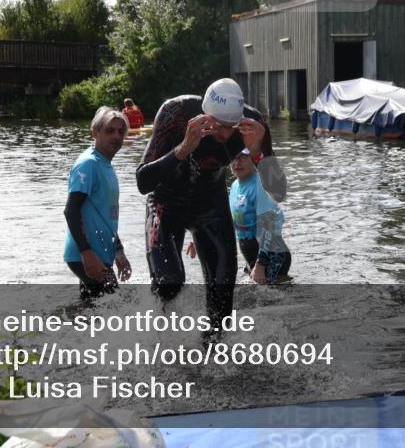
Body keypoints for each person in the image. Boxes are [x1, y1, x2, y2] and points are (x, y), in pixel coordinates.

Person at [136, 78, 286, 334]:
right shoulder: (176, 112)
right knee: (168, 284)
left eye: (232, 127)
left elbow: (278, 192)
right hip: (166, 203)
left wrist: (259, 152)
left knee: (222, 299)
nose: (226, 135)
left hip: (210, 205)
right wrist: (184, 147)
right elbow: (143, 182)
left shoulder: (253, 124)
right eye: (218, 126)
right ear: (204, 115)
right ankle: (158, 338)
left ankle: (213, 353)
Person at [63, 106, 132, 300]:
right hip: (86, 253)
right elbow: (71, 210)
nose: (116, 136)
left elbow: (106, 217)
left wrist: (118, 251)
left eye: (121, 131)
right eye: (110, 131)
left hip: (99, 252)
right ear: (95, 132)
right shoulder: (89, 163)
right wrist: (86, 253)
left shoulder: (106, 166)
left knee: (92, 311)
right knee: (115, 308)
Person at [229, 148, 291, 284]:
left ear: (253, 160)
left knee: (273, 296)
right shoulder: (234, 186)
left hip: (271, 256)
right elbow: (230, 222)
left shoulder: (260, 185)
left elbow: (268, 225)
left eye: (243, 157)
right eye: (234, 157)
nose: (238, 162)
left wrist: (261, 264)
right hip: (251, 254)